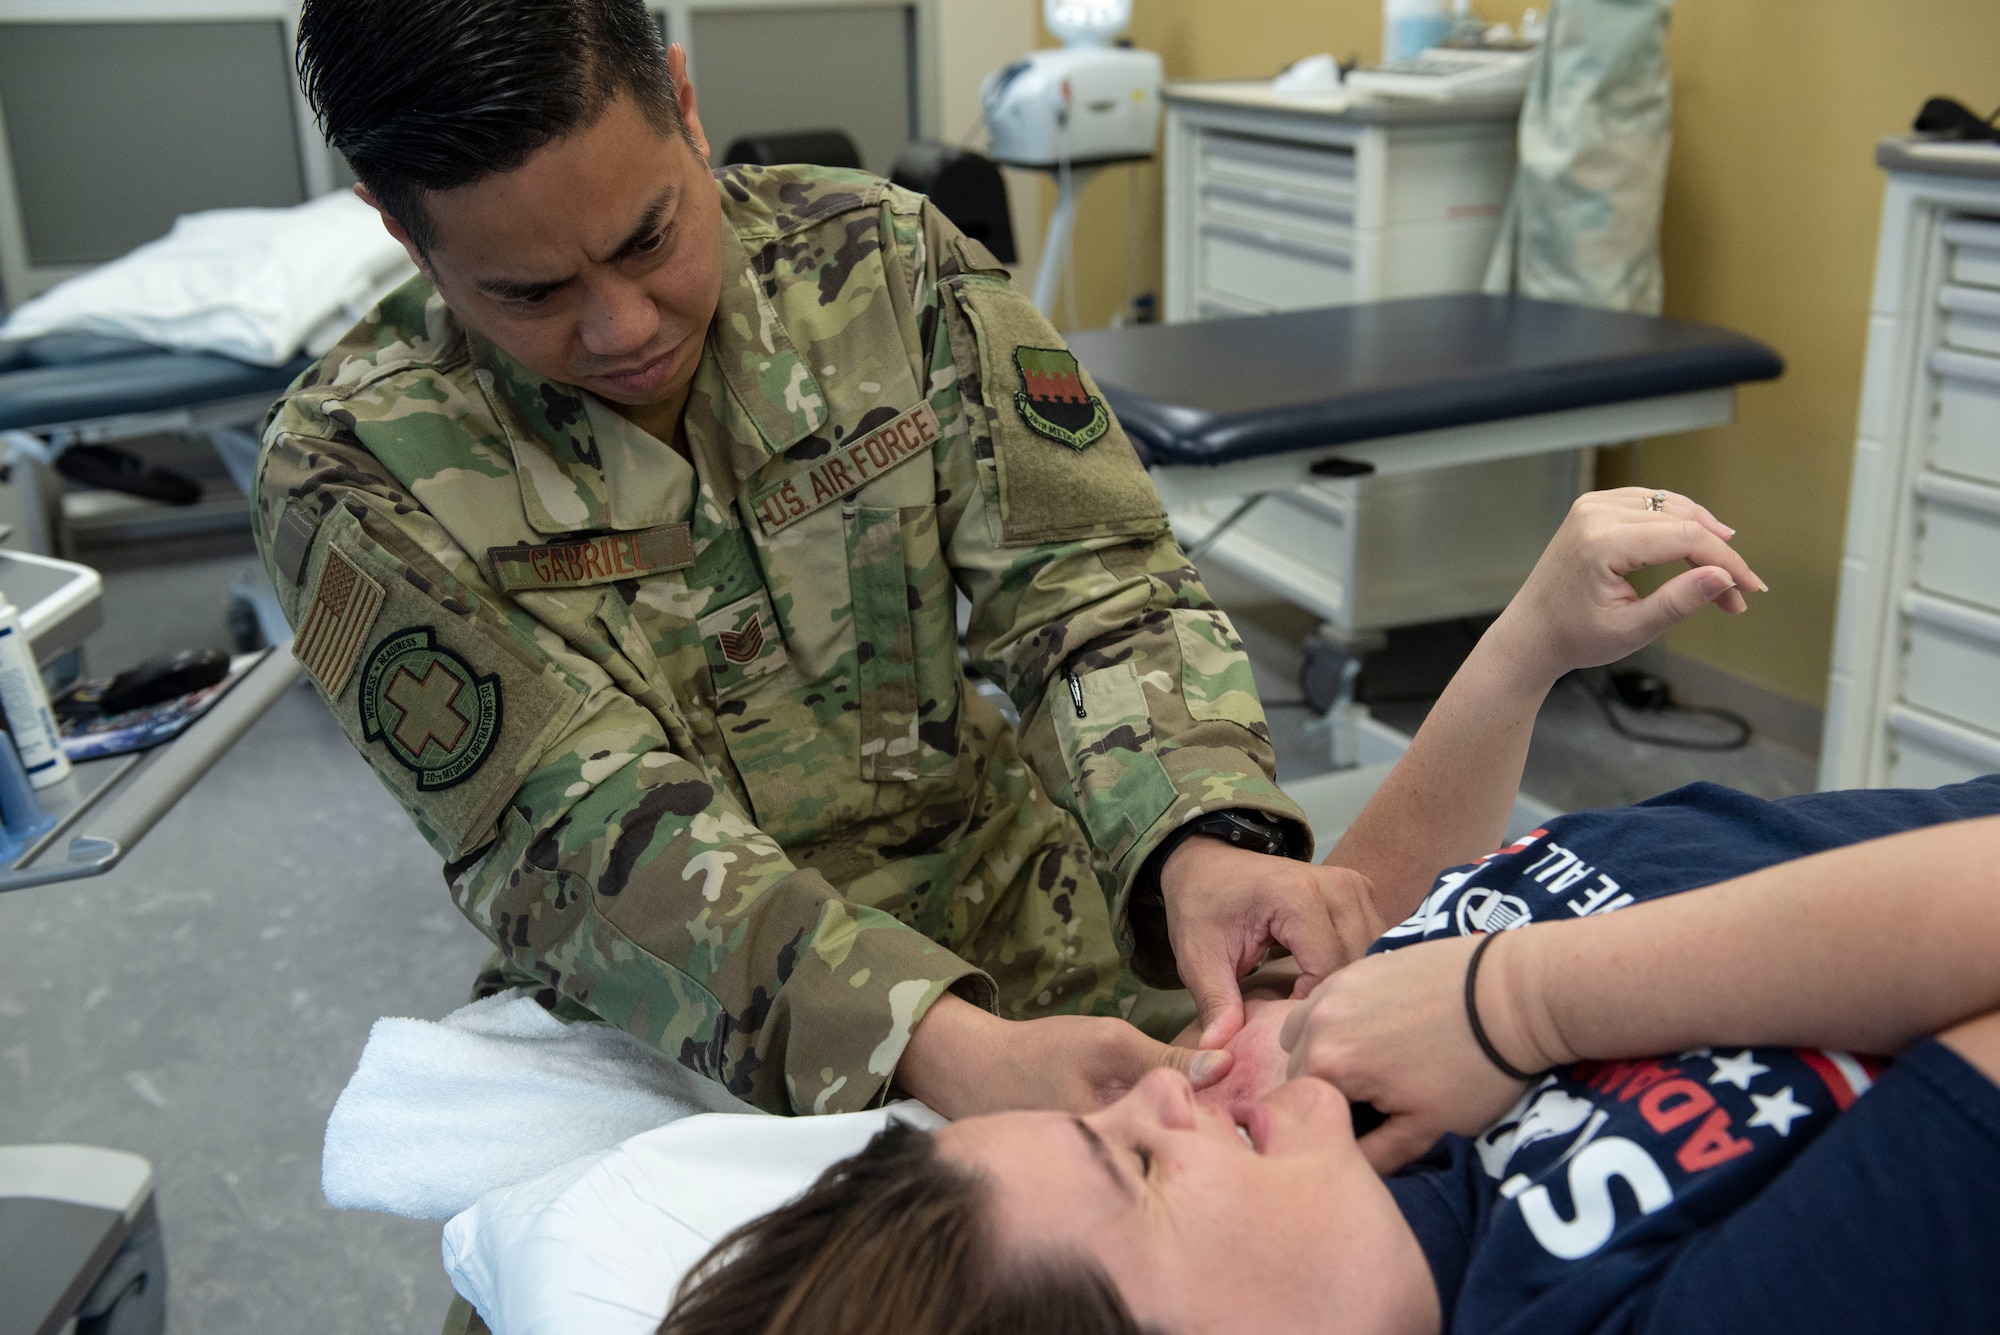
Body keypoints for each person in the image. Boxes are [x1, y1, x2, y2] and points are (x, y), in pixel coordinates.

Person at [259, 0, 1400, 1121]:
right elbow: (578, 833)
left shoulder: (881, 266)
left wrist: (1198, 832)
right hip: (685, 1019)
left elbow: (1089, 585)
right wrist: (925, 1044)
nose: (623, 328)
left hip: (1022, 920)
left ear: (686, 106)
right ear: (404, 233)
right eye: (531, 293)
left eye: (649, 238)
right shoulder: (354, 475)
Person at [655, 491, 2000, 1335]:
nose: (1159, 1088)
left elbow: (1372, 909)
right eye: (1133, 1165)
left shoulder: (1321, 1175)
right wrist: (1517, 999)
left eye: (1095, 1119)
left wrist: (1528, 642)